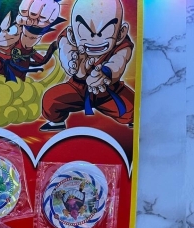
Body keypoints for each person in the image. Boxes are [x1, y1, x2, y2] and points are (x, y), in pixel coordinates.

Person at [41, 0, 134, 131]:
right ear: (72, 34)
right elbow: (66, 52)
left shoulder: (123, 44)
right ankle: (57, 123)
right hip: (77, 88)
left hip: (109, 90)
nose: (95, 37)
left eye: (106, 29)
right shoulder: (68, 39)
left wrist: (106, 73)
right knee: (50, 100)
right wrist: (73, 66)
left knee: (133, 108)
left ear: (121, 33)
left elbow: (119, 61)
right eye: (84, 30)